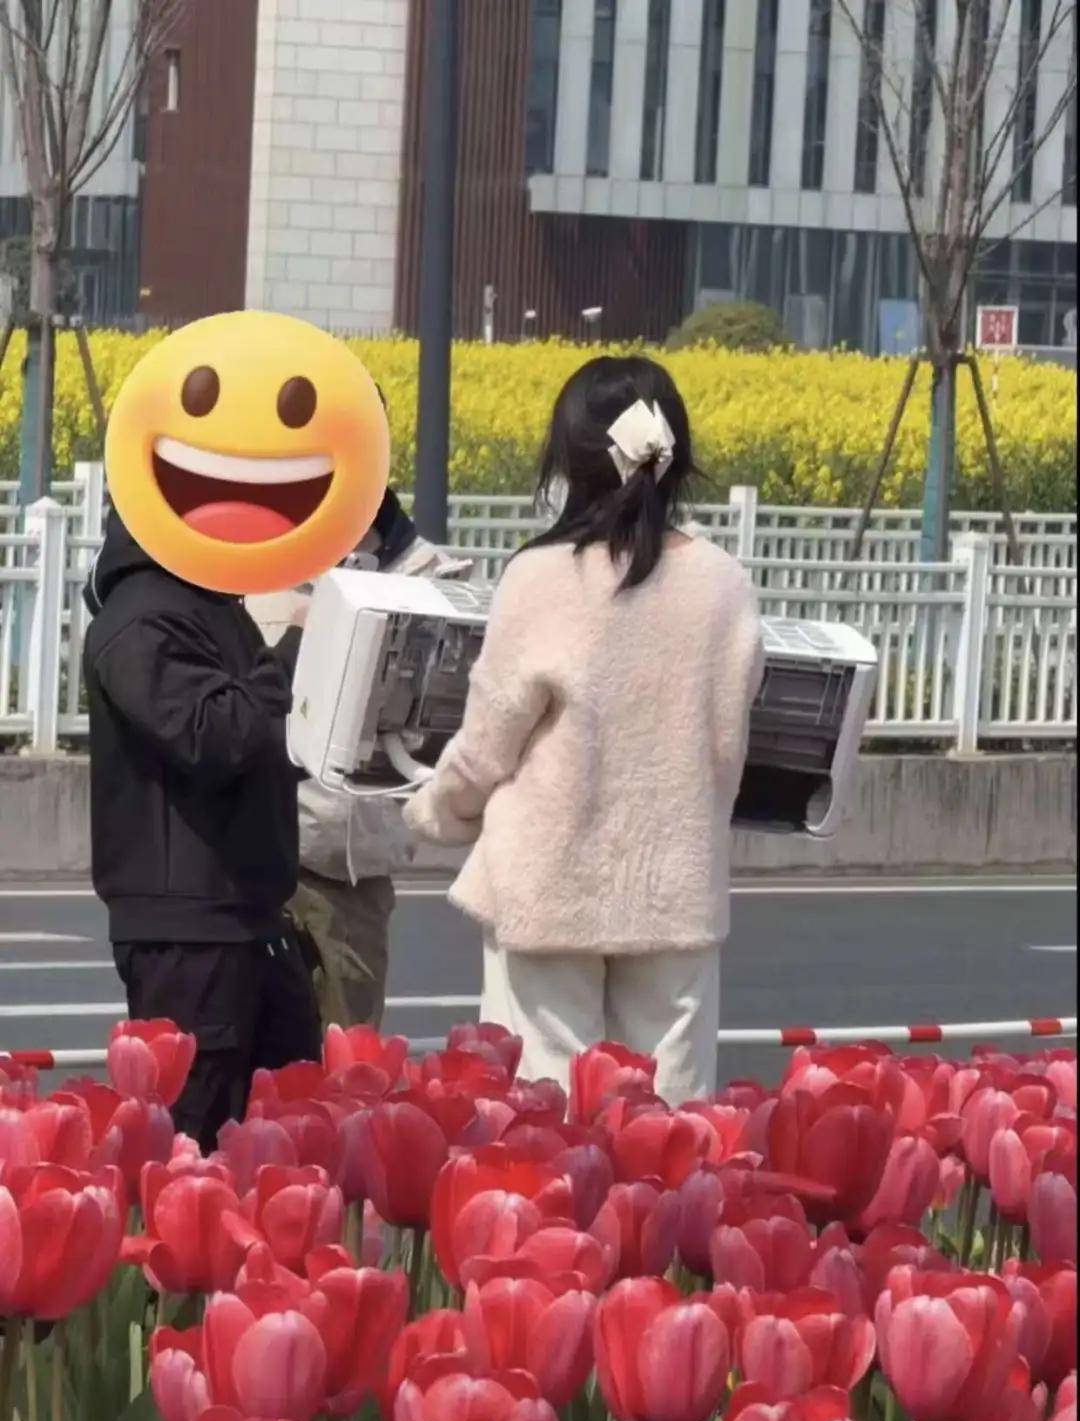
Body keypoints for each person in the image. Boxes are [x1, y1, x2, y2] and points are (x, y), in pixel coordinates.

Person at [404, 356, 764, 1104]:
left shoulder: (540, 577)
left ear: (570, 459)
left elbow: (487, 744)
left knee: (545, 1119)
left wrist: (437, 810)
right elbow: (726, 750)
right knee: (672, 1124)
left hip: (546, 885)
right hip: (674, 889)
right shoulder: (724, 585)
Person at [83, 506, 320, 1152]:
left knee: (287, 1136)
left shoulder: (207, 601)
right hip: (191, 937)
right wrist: (297, 654)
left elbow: (254, 731)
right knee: (197, 1146)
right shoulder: (141, 615)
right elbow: (212, 734)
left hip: (247, 921)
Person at [281, 484, 472, 1029]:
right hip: (258, 850)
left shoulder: (433, 577)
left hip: (353, 866)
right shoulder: (264, 553)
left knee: (348, 1053)